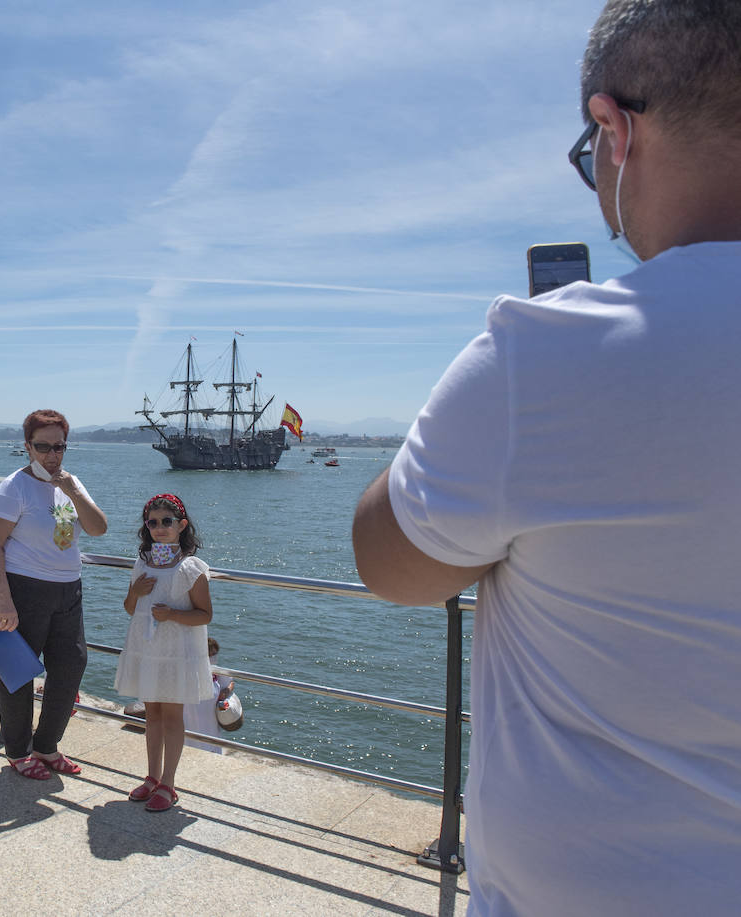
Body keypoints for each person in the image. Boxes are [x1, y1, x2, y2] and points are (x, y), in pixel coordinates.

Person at [351, 3, 741, 913]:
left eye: (589, 153)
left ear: (616, 127)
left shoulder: (544, 355)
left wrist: (473, 414)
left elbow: (390, 564)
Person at [0, 409, 107, 779]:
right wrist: (4, 601)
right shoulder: (13, 488)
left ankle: (47, 745)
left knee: (71, 665)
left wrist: (71, 490)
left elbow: (98, 528)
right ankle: (19, 752)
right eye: (43, 447)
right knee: (18, 672)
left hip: (68, 588)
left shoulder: (71, 483)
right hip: (21, 588)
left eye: (59, 447)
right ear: (27, 447)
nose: (52, 455)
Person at [114, 494, 215, 810]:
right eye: (153, 522)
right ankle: (151, 777)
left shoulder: (190, 567)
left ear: (181, 526)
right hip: (147, 650)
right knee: (152, 714)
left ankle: (168, 783)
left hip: (176, 653)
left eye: (166, 522)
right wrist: (136, 591)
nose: (159, 528)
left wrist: (171, 614)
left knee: (172, 716)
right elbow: (131, 608)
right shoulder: (143, 561)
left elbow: (204, 614)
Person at [183, 637, 235, 754]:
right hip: (189, 728)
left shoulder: (216, 673)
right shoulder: (187, 673)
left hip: (211, 730)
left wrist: (226, 691)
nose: (213, 657)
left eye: (215, 654)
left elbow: (231, 683)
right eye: (210, 654)